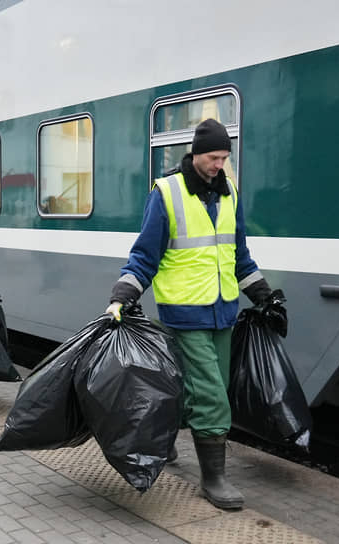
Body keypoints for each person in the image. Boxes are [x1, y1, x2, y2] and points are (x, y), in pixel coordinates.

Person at [105, 118, 286, 510]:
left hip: (223, 311)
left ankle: (161, 440)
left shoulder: (229, 194)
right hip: (185, 312)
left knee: (199, 386)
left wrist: (264, 296)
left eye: (224, 158)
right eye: (213, 157)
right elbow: (144, 256)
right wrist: (122, 295)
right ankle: (214, 479)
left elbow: (239, 255)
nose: (219, 165)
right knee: (211, 394)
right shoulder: (167, 193)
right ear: (196, 153)